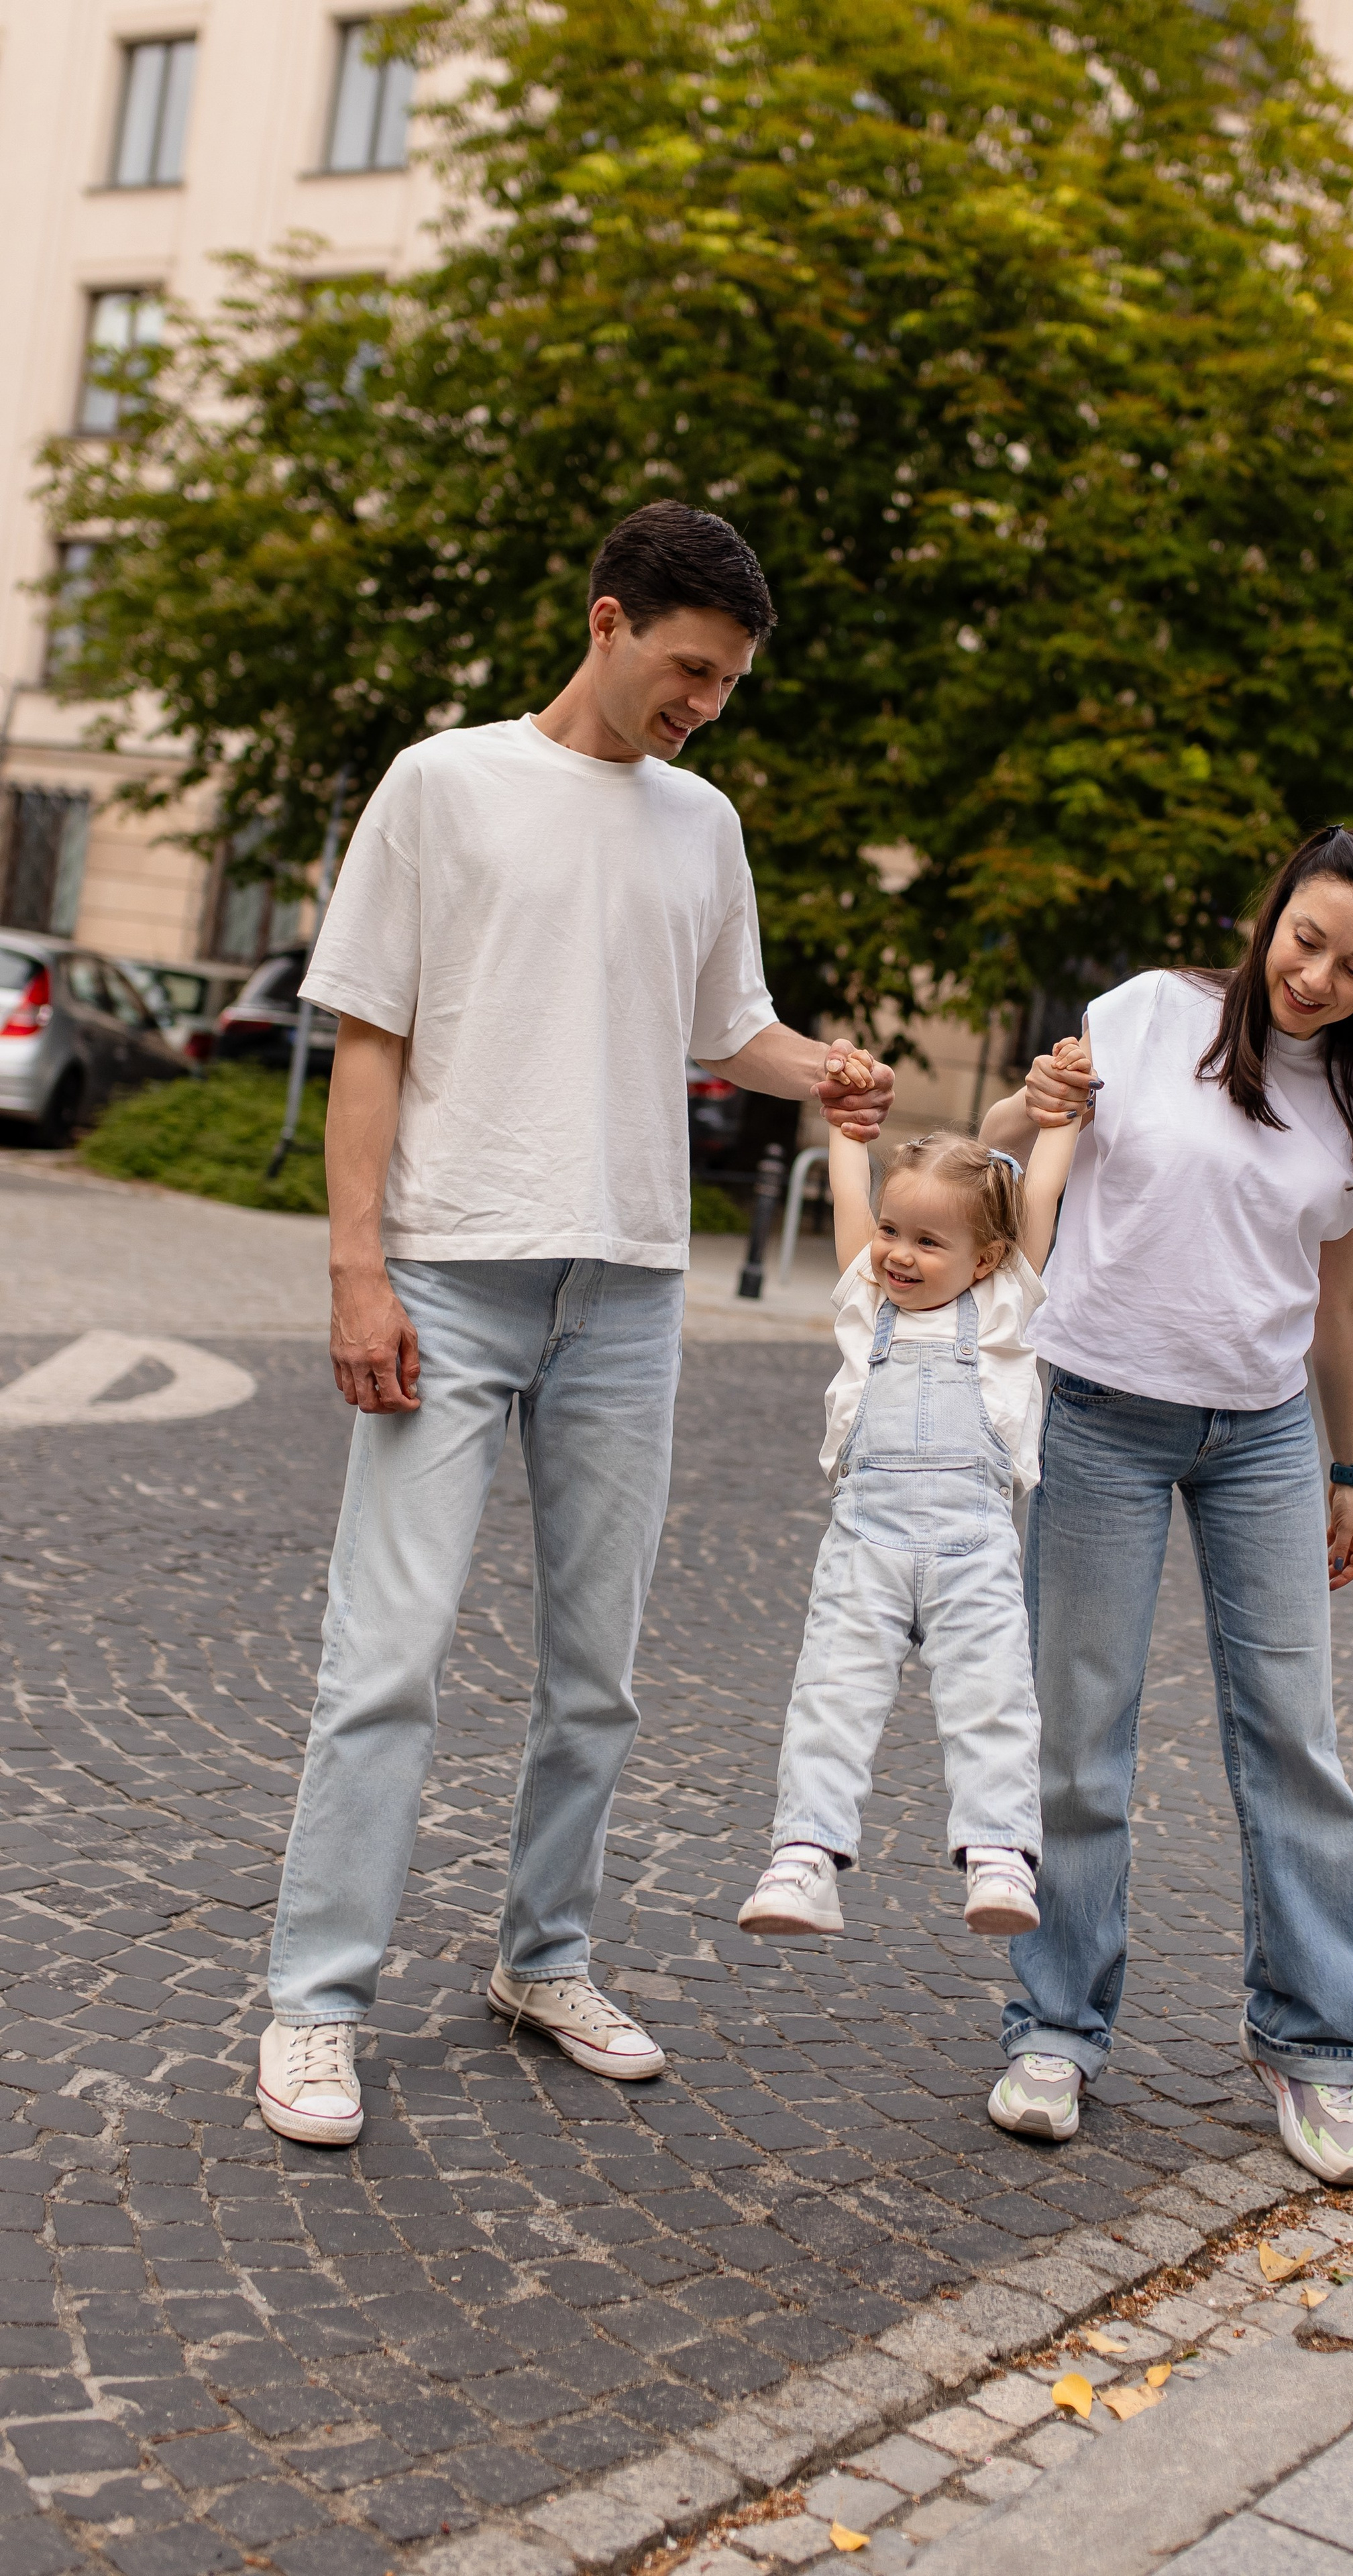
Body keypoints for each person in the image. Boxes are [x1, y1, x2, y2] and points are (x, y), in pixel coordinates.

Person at [255, 500, 894, 2148]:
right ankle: (316, 2003)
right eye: (688, 669)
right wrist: (354, 1271)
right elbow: (370, 1039)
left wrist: (823, 1069)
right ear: (607, 622)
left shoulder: (704, 825)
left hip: (625, 1291)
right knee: (385, 1661)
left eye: (729, 683)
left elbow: (728, 1025)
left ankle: (543, 1960)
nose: (704, 704)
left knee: (595, 1674)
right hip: (450, 1278)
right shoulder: (442, 783)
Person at [980, 826, 1353, 2179]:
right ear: (1273, 913)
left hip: (1261, 1437)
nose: (1317, 978)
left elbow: (1342, 1302)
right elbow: (1007, 1154)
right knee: (1080, 1738)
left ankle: (1312, 2047)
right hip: (1099, 1415)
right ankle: (1055, 2030)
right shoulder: (1146, 1015)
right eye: (1307, 940)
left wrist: (1352, 1470)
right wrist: (1027, 1102)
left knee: (1294, 1738)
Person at [737, 1079, 1084, 1943]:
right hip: (866, 1542)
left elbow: (1042, 1192)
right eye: (892, 1231)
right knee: (832, 1693)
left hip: (975, 1547)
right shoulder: (867, 1299)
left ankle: (999, 1851)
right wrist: (846, 1127)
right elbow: (848, 1193)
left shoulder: (1005, 1306)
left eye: (930, 1241)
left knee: (993, 1696)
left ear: (988, 1258)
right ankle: (806, 1856)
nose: (897, 1254)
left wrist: (1065, 1119)